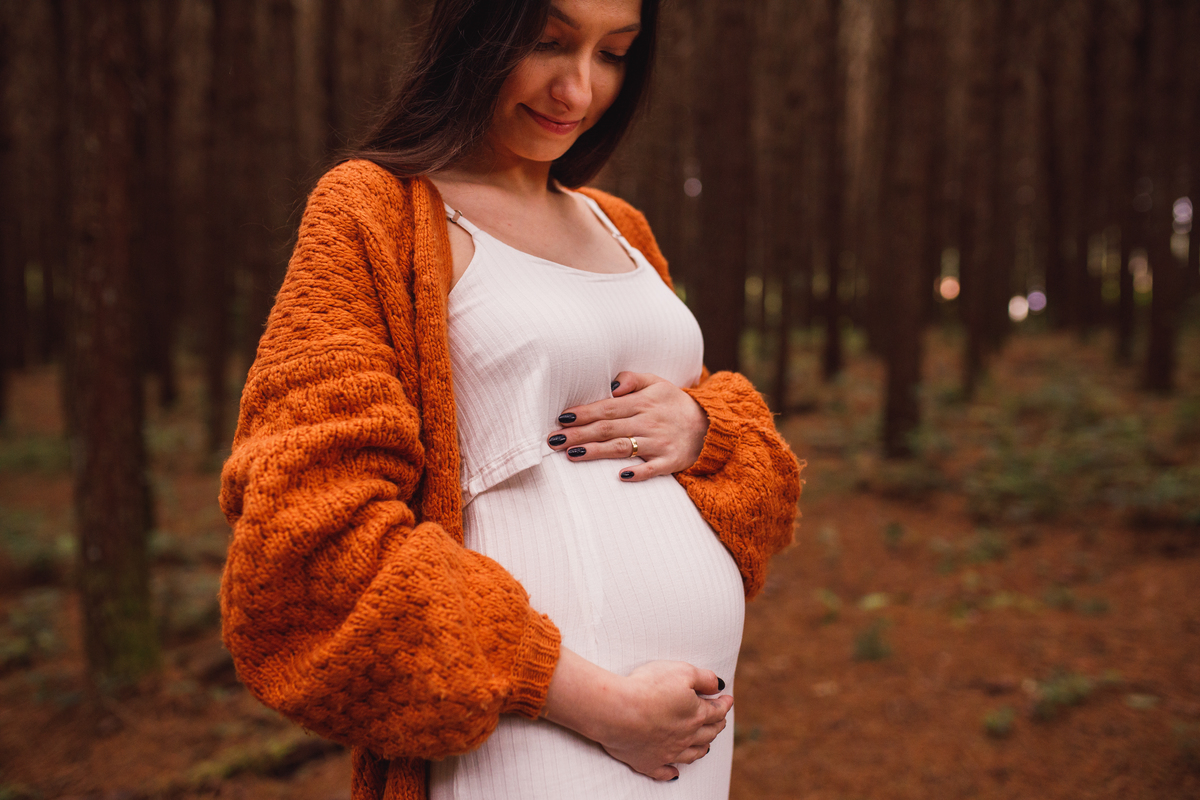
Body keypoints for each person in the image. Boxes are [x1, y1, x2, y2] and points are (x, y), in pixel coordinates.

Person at [218, 0, 802, 798]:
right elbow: (306, 538)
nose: (578, 91)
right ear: (473, 29)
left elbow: (762, 501)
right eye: (548, 43)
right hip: (526, 739)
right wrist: (601, 705)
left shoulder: (620, 224)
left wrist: (708, 430)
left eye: (613, 54)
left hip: (686, 743)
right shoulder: (374, 211)